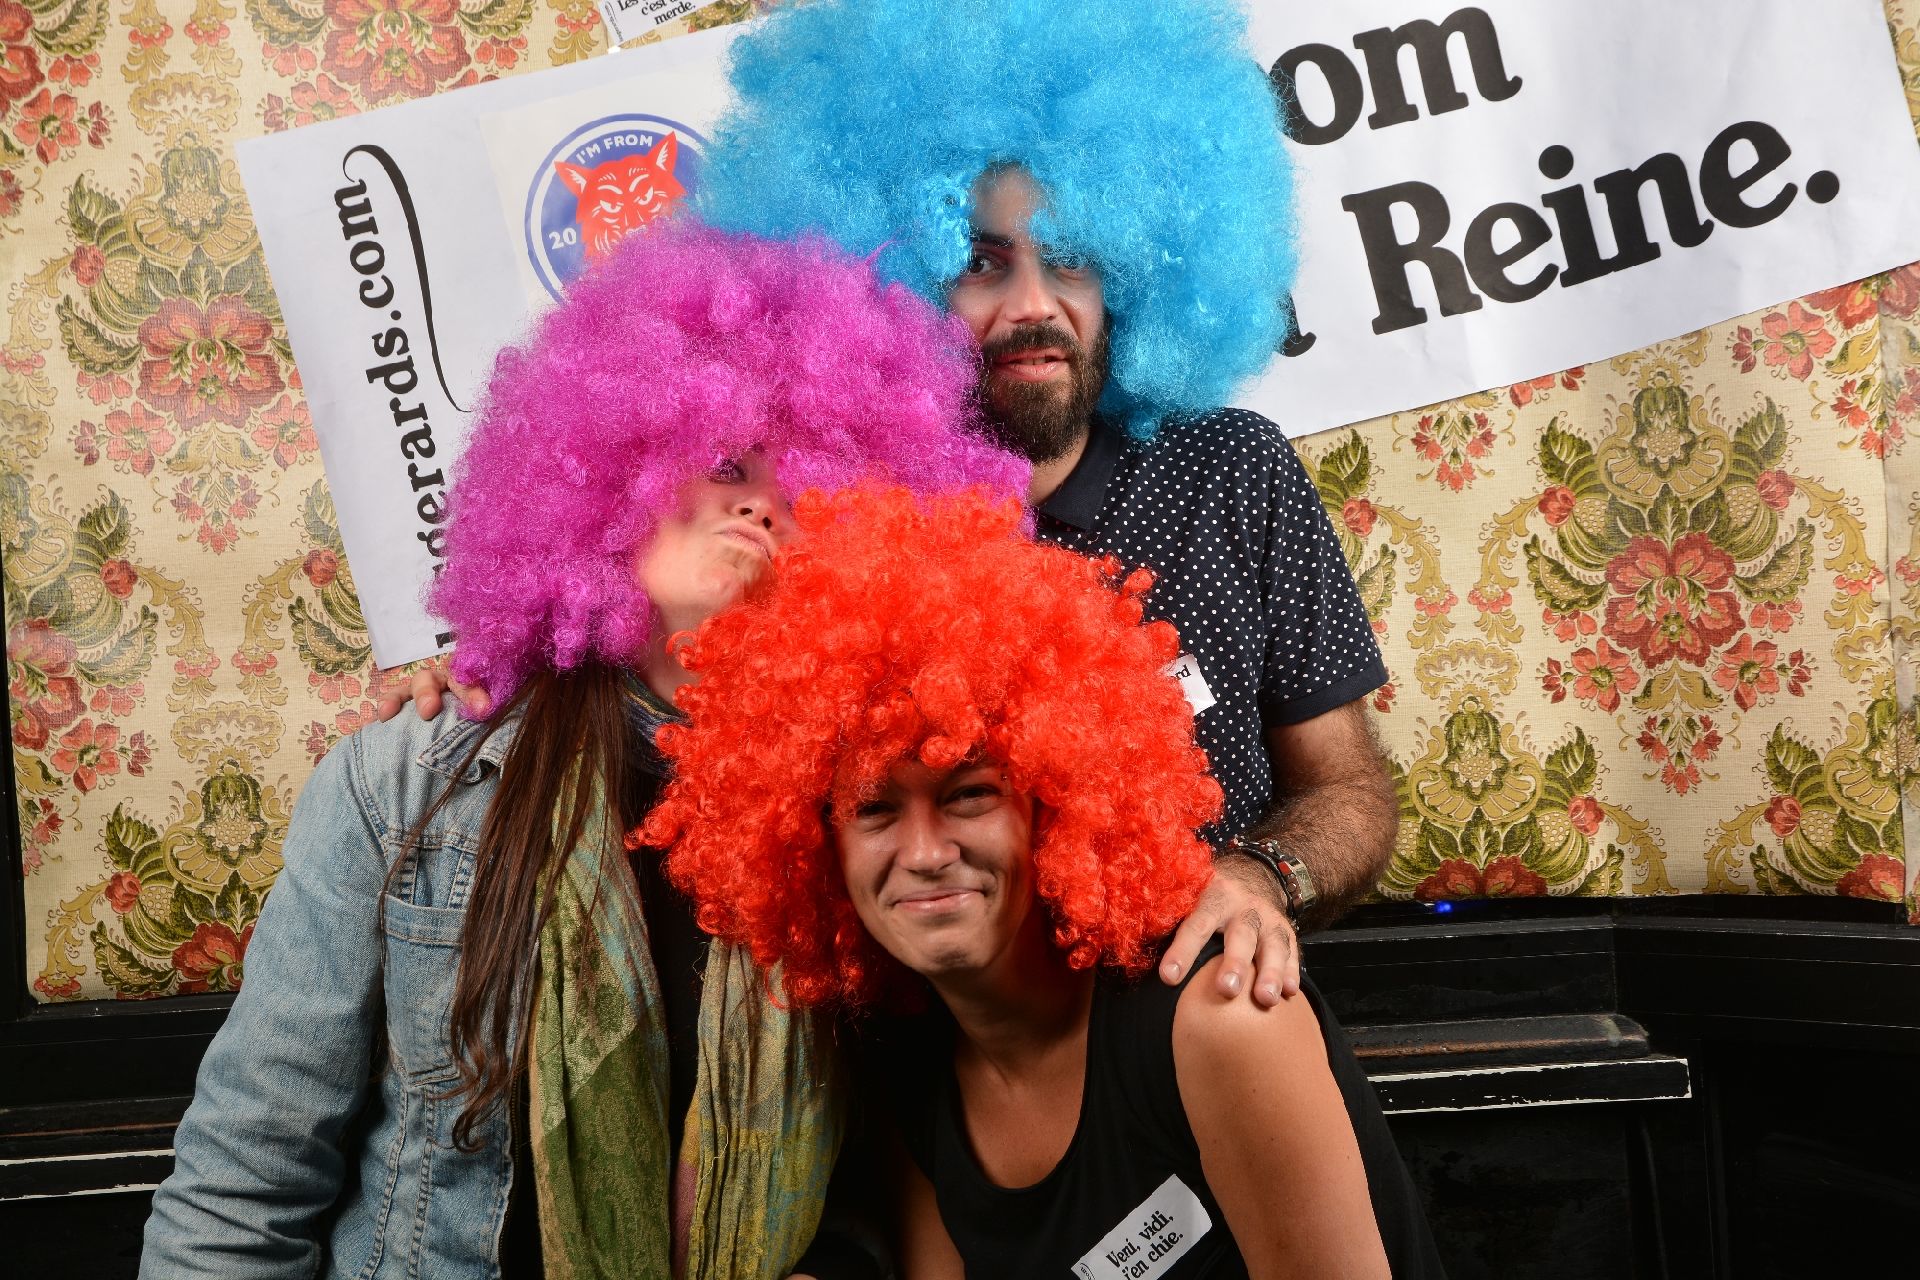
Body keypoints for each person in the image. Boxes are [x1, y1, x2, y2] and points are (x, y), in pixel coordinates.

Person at [140, 223, 1027, 1279]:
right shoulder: (407, 783)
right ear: (612, 472)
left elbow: (892, 1161)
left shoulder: (870, 815)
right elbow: (243, 1187)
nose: (761, 504)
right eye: (724, 462)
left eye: (809, 493)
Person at [694, 0, 1400, 1009]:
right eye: (979, 264)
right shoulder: (840, 526)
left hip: (1204, 1024)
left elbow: (1348, 792)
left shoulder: (1230, 472)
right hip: (948, 1058)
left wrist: (1257, 875)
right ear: (890, 284)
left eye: (1070, 256)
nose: (1033, 305)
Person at [644, 486, 1444, 1278]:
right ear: (821, 848)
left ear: (1051, 805)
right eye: (873, 809)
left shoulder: (1218, 1019)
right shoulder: (911, 1073)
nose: (925, 852)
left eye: (968, 795)